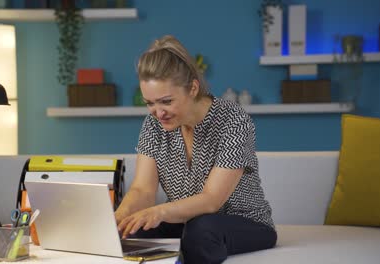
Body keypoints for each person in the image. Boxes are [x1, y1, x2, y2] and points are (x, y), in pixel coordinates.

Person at [115, 35, 277, 264]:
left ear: (192, 88)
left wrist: (159, 212)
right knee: (131, 231)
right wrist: (118, 218)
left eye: (166, 101)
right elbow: (143, 190)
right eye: (150, 103)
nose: (158, 112)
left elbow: (211, 201)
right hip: (184, 222)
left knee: (201, 228)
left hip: (244, 222)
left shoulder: (233, 120)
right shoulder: (154, 124)